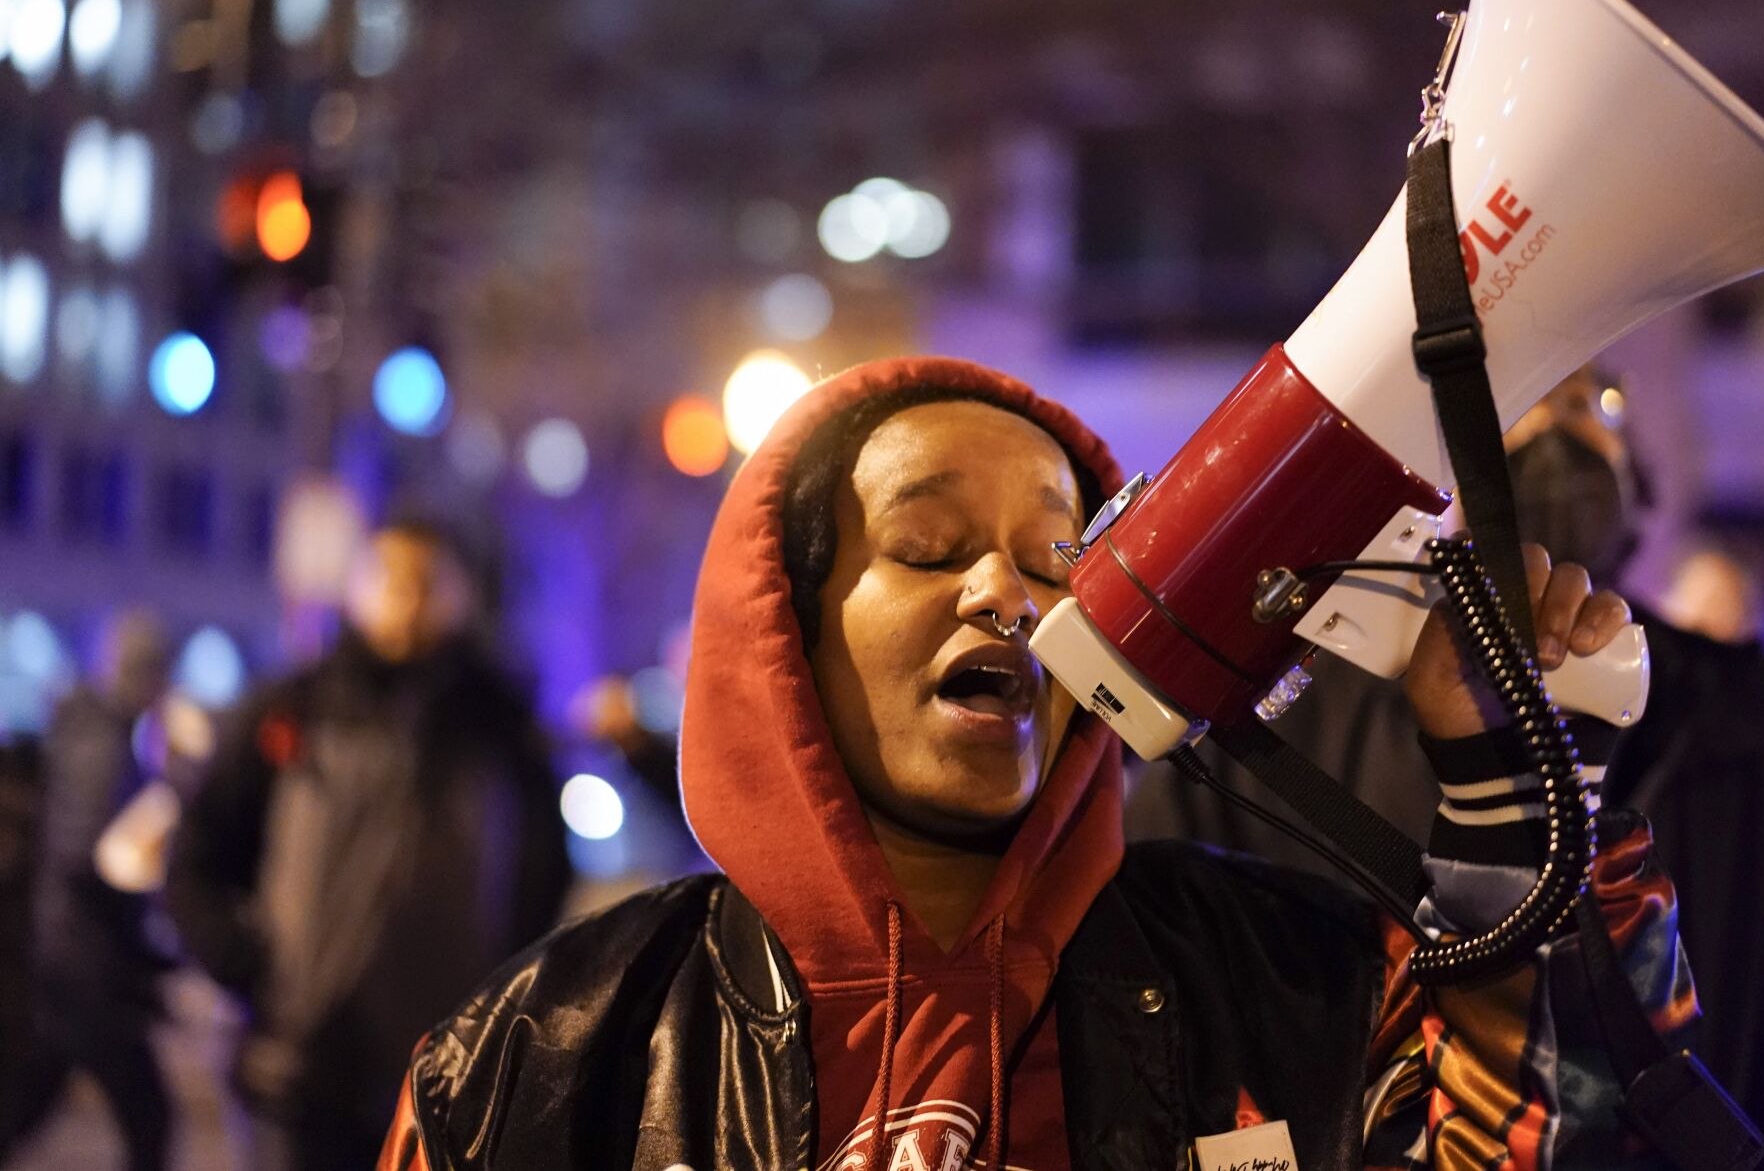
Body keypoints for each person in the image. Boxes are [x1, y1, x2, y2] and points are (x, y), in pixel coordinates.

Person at [376, 358, 1697, 1171]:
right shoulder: (541, 1060)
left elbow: (1580, 1131)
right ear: (784, 631)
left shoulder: (1293, 983)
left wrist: (1501, 778)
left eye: (1060, 556)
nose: (1006, 588)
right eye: (931, 545)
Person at [1128, 366, 1764, 1169]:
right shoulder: (1296, 727)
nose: (1561, 415)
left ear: (1640, 496)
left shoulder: (1731, 735)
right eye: (1525, 391)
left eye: (1598, 399)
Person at [168, 518, 571, 1171]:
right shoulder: (296, 708)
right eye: (390, 576)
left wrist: (504, 1002)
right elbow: (197, 853)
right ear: (357, 586)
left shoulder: (499, 729)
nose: (408, 598)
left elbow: (542, 879)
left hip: (448, 1071)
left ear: (461, 592)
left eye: (428, 580)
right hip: (300, 1065)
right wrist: (253, 965)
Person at [0, 612, 175, 1171]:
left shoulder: (97, 734)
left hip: (72, 954)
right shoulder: (101, 744)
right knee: (147, 1113)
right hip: (86, 960)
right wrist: (138, 935)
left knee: (34, 1095)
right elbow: (90, 853)